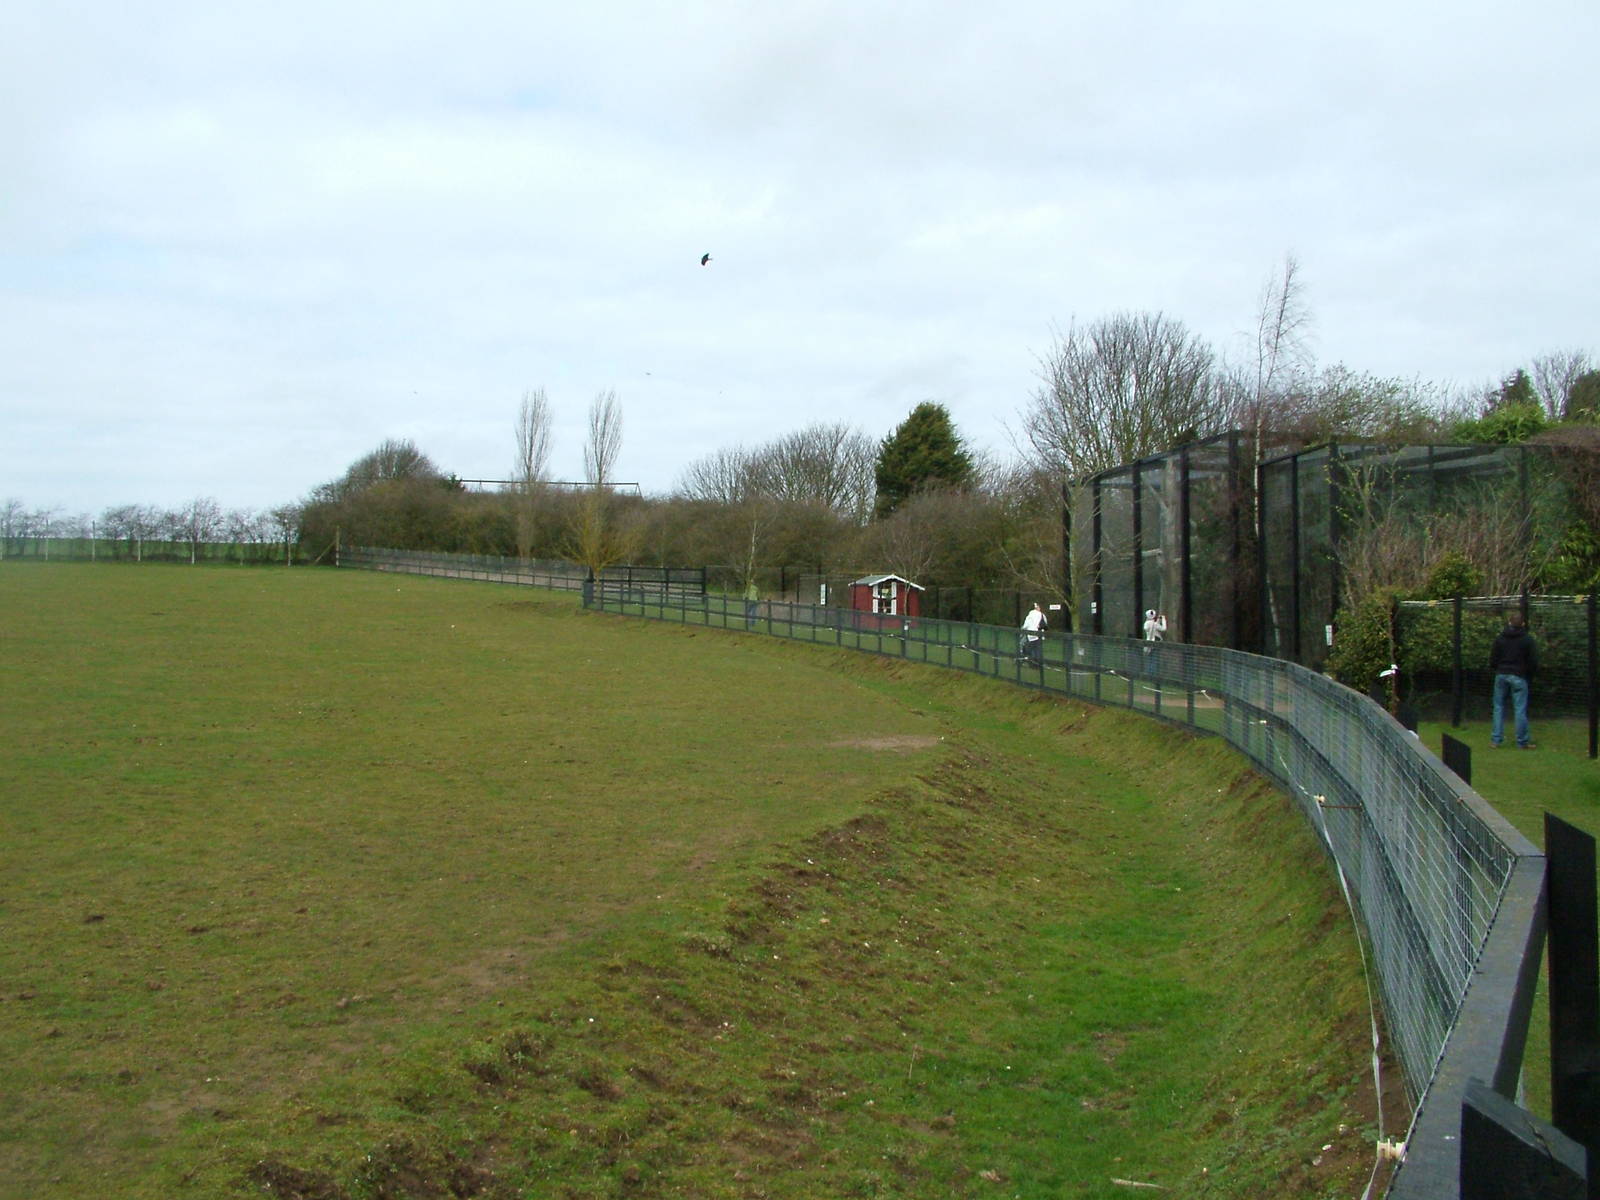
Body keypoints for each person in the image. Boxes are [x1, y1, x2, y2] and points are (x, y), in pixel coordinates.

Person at [1489, 610, 1538, 749]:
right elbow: (1533, 661)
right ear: (1523, 624)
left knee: (1498, 707)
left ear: (1509, 622)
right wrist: (1528, 674)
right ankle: (1522, 741)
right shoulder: (1527, 639)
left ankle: (1496, 740)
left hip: (1501, 673)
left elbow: (1493, 659)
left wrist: (1498, 668)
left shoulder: (1500, 638)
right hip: (1519, 675)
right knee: (1520, 709)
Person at [1020, 602, 1047, 666]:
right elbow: (1045, 625)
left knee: (1031, 649)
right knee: (1038, 649)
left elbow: (1025, 625)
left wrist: (1023, 630)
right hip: (1039, 634)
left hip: (1031, 635)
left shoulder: (1030, 615)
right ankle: (1037, 664)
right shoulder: (1042, 615)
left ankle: (1032, 663)